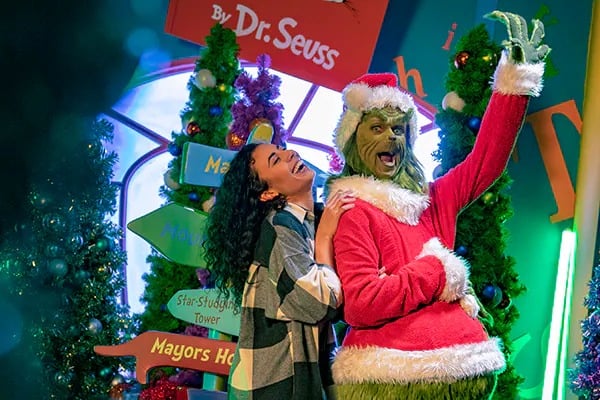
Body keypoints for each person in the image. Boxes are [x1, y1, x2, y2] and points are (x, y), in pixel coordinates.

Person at [325, 11, 550, 400]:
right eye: (377, 128)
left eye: (399, 129)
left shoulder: (433, 200)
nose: (391, 139)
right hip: (393, 380)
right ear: (353, 139)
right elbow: (361, 305)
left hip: (462, 371)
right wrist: (437, 271)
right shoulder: (353, 210)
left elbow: (486, 162)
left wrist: (516, 81)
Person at [204, 142, 355, 399]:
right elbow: (318, 303)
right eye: (276, 160)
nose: (290, 154)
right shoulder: (279, 225)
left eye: (281, 149)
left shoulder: (312, 220)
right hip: (273, 388)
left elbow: (341, 296)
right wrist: (325, 238)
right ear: (267, 193)